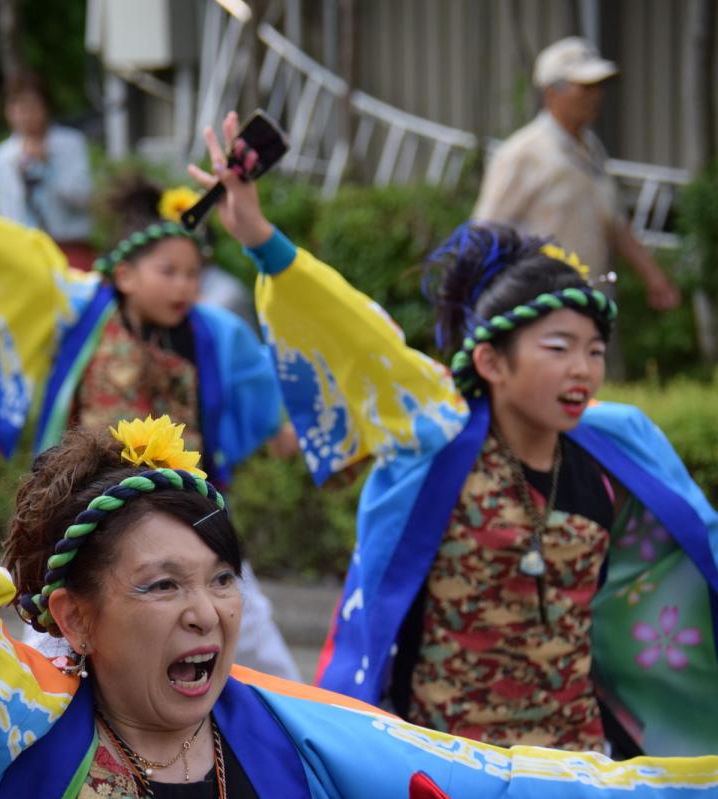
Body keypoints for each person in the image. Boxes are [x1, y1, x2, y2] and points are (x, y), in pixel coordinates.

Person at [0, 255, 718, 797]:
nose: (207, 612)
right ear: (73, 616)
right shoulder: (13, 721)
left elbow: (512, 784)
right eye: (161, 585)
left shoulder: (289, 737)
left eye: (218, 578)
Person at [188, 111, 718, 756]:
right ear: (492, 362)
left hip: (577, 761)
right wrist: (264, 240)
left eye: (594, 351)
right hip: (448, 762)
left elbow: (699, 541)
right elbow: (357, 333)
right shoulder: (436, 435)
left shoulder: (620, 446)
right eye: (559, 347)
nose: (583, 369)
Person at [0, 169, 300, 680]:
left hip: (183, 498)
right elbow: (25, 258)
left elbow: (256, 377)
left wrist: (280, 427)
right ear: (124, 275)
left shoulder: (213, 332)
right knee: (60, 606)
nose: (184, 285)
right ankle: (38, 699)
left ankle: (294, 713)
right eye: (168, 271)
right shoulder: (83, 307)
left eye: (193, 274)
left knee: (241, 608)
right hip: (91, 496)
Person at [473, 38, 679, 335]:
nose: (595, 96)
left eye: (598, 87)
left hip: (587, 300)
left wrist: (653, 276)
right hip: (537, 305)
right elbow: (484, 232)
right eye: (584, 87)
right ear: (550, 92)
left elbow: (615, 223)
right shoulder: (522, 153)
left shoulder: (591, 149)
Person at [0, 70, 95, 270]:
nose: (25, 114)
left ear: (46, 106)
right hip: (23, 252)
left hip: (70, 247)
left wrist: (47, 165)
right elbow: (5, 213)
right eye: (16, 106)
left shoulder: (70, 144)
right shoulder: (1, 157)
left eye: (31, 105)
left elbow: (82, 198)